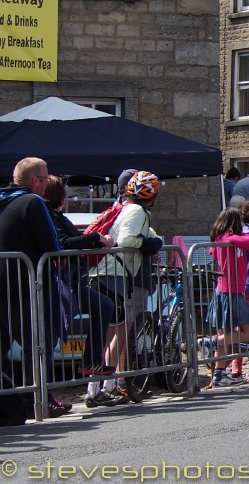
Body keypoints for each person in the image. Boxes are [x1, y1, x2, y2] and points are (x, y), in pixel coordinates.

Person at [0, 157, 73, 418]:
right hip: (26, 282)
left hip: (4, 280)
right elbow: (52, 244)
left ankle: (15, 400)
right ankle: (40, 399)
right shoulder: (33, 202)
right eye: (45, 178)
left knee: (3, 345)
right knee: (36, 343)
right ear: (37, 181)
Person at [88, 171, 164, 404]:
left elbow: (146, 233)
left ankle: (103, 386)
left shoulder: (129, 209)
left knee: (115, 332)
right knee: (114, 333)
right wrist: (149, 244)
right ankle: (98, 389)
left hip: (112, 274)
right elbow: (129, 240)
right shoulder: (137, 211)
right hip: (113, 274)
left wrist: (155, 239)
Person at [42, 176, 117, 391]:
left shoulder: (58, 216)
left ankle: (90, 361)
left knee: (103, 305)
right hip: (58, 283)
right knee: (50, 336)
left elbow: (75, 238)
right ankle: (43, 393)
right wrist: (96, 238)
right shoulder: (48, 214)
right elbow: (64, 243)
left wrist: (98, 239)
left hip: (71, 281)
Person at [204, 208, 249, 387]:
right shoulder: (228, 239)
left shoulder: (223, 240)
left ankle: (219, 374)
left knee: (226, 335)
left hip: (225, 292)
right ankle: (210, 342)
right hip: (230, 292)